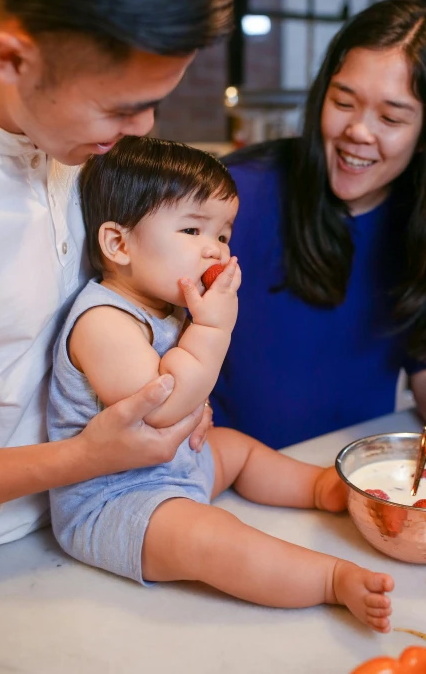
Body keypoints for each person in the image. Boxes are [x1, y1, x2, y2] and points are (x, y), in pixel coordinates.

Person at [0, 0, 233, 554]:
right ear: (12, 59)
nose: (140, 130)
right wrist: (83, 458)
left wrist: (175, 383)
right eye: (121, 108)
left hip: (92, 530)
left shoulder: (72, 131)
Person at [47, 137, 394, 630]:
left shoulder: (163, 306)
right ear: (118, 244)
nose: (214, 249)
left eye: (224, 236)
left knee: (236, 448)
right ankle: (328, 579)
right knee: (212, 536)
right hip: (115, 502)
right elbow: (161, 411)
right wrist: (213, 330)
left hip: (174, 468)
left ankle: (319, 487)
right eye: (192, 229)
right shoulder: (103, 322)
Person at [211, 0, 426, 452]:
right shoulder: (235, 194)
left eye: (391, 118)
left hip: (353, 478)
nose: (358, 130)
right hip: (226, 479)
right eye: (343, 101)